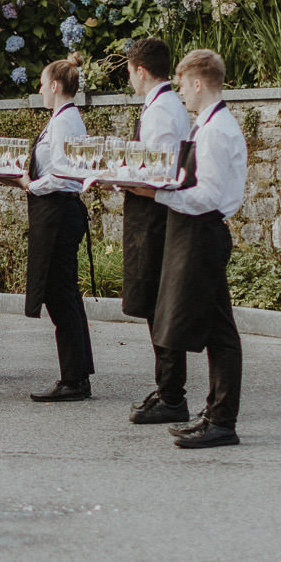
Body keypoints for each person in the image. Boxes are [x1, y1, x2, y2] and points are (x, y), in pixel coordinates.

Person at [143, 49, 247, 449]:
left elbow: (208, 195)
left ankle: (223, 420)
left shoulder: (218, 130)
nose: (181, 92)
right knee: (217, 328)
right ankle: (216, 414)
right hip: (198, 230)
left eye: (184, 84)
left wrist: (158, 193)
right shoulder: (207, 125)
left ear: (199, 83)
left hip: (205, 231)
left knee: (220, 332)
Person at [106, 38, 194, 426]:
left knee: (159, 304)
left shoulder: (160, 112)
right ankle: (167, 388)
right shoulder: (165, 105)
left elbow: (159, 174)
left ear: (140, 70)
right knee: (157, 304)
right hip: (153, 214)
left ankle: (172, 394)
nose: (129, 76)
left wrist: (114, 176)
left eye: (128, 69)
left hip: (154, 218)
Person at [20, 55, 95, 402]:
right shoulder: (62, 119)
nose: (39, 90)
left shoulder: (65, 122)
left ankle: (74, 378)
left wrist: (31, 185)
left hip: (58, 211)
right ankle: (77, 372)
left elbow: (67, 171)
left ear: (55, 86)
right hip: (54, 211)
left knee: (59, 291)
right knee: (61, 291)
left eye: (41, 83)